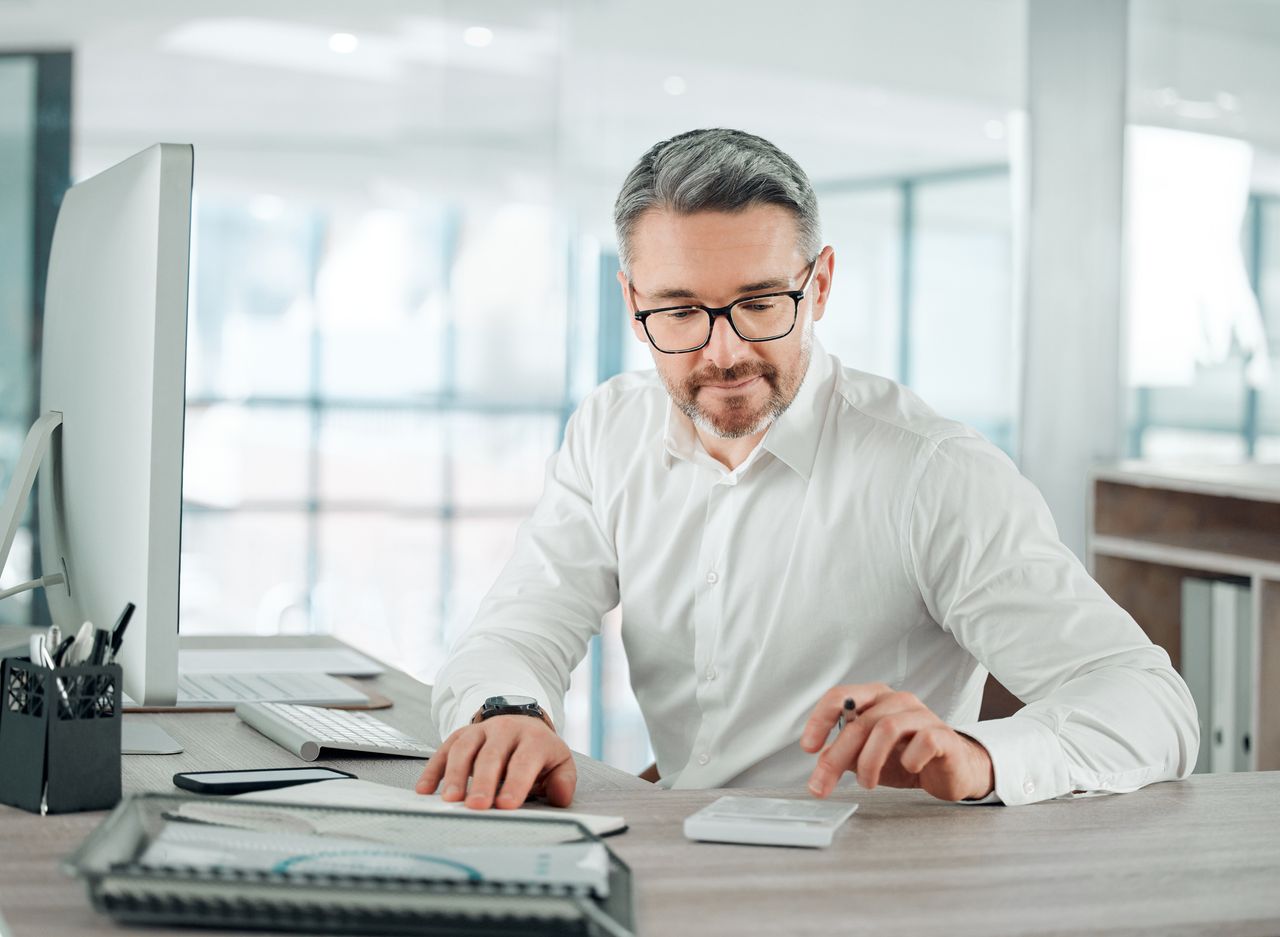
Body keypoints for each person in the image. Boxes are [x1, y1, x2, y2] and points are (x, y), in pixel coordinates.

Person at [417, 128, 1198, 810]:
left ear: (818, 284)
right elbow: (516, 628)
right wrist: (504, 712)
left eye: (760, 303)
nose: (723, 353)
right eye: (681, 312)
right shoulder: (609, 432)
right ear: (631, 305)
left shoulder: (933, 473)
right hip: (684, 872)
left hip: (866, 890)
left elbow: (1150, 703)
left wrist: (981, 754)